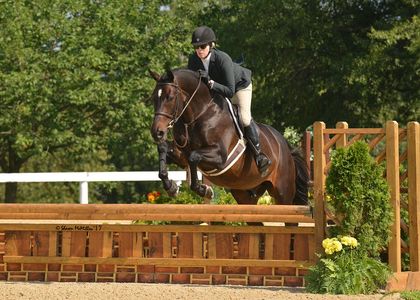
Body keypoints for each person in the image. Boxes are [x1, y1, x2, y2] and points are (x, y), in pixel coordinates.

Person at [187, 25, 271, 176]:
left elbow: (229, 91)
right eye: (196, 47)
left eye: (202, 46)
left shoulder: (222, 59)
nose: (199, 50)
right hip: (217, 89)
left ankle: (259, 155)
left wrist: (211, 83)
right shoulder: (193, 60)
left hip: (238, 87)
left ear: (211, 45)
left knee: (244, 118)